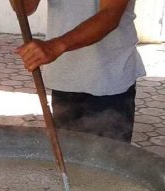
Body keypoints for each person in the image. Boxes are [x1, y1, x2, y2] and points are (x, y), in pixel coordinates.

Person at [10, 0, 145, 142]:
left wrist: (55, 46)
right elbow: (25, 8)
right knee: (70, 156)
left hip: (108, 79)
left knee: (108, 159)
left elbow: (110, 15)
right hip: (66, 78)